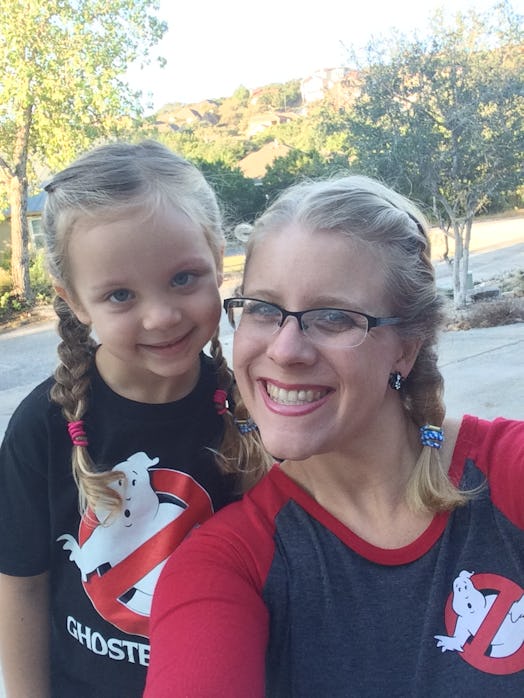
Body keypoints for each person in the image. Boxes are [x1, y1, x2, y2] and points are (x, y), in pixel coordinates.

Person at [145, 175, 524, 696]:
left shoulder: (508, 473)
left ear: (406, 348)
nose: (285, 350)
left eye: (333, 317)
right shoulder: (227, 564)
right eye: (263, 308)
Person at [0, 140, 269, 697]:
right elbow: (21, 586)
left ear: (218, 259)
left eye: (183, 278)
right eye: (120, 294)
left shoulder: (259, 407)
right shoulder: (42, 427)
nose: (161, 315)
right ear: (75, 300)